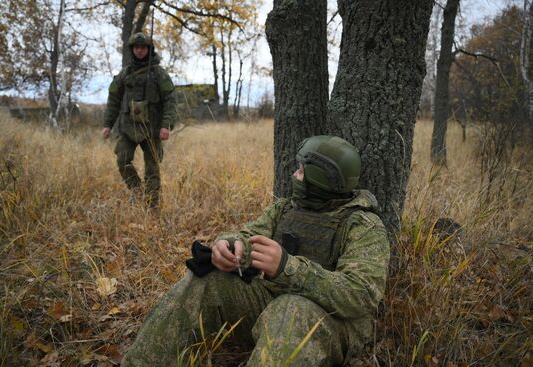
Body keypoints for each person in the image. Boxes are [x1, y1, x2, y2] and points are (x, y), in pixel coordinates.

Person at [122, 136, 390, 366]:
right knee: (206, 278)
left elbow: (361, 295)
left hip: (333, 323)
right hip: (272, 304)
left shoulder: (362, 225)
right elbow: (248, 234)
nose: (294, 175)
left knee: (290, 308)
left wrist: (288, 268)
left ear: (321, 177)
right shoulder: (286, 208)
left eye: (300, 170)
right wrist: (227, 246)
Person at [102, 32, 176, 208]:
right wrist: (107, 124)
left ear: (149, 49)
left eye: (143, 47)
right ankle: (138, 192)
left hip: (152, 128)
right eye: (136, 47)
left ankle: (151, 205)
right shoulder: (124, 74)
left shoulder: (159, 73)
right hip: (128, 128)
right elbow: (113, 100)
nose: (140, 50)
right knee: (122, 160)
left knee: (152, 168)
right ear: (132, 49)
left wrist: (166, 125)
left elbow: (170, 100)